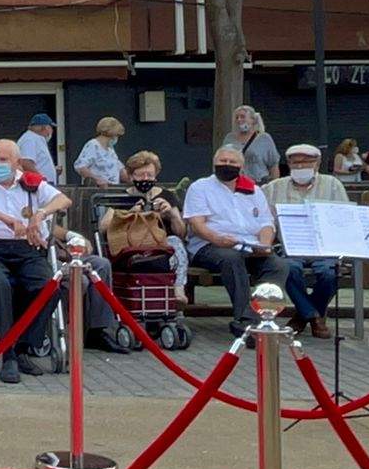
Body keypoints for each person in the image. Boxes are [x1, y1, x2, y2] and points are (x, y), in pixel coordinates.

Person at [0, 138, 68, 383]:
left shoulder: (30, 183)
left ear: (17, 163)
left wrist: (40, 214)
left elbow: (63, 200)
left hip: (26, 249)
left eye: (3, 160)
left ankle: (21, 348)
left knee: (50, 287)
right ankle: (7, 354)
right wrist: (6, 219)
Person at [183, 145, 290, 338]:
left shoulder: (254, 190)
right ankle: (245, 320)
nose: (227, 165)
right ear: (214, 163)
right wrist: (218, 239)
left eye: (232, 162)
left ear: (241, 166)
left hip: (250, 245)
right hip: (210, 246)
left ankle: (255, 316)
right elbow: (197, 224)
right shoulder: (200, 187)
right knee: (231, 259)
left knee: (279, 265)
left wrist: (265, 245)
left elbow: (266, 222)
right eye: (222, 161)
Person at [263, 143, 348, 340]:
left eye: (306, 162)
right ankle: (315, 317)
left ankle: (303, 315)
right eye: (295, 163)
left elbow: (343, 217)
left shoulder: (333, 184)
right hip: (290, 248)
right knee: (287, 268)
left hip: (325, 248)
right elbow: (262, 219)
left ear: (317, 164)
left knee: (330, 273)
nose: (300, 167)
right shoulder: (273, 188)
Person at [101, 150, 189, 304]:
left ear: (156, 175)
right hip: (132, 245)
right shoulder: (122, 198)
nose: (145, 179)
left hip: (161, 245)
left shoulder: (166, 195)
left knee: (175, 241)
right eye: (140, 175)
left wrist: (172, 214)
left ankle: (178, 289)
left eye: (149, 175)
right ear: (131, 176)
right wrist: (129, 214)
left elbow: (181, 233)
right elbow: (103, 227)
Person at [227, 105, 280, 183]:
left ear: (253, 120)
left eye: (242, 117)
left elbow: (273, 165)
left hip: (258, 183)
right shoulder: (229, 138)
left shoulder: (264, 138)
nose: (239, 120)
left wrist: (274, 186)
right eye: (237, 117)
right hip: (235, 183)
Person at [73, 117, 126, 186]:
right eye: (117, 135)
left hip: (111, 189)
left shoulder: (110, 149)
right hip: (97, 190)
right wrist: (97, 180)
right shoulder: (93, 145)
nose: (117, 138)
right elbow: (80, 166)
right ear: (112, 134)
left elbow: (119, 168)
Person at [17, 112, 59, 184]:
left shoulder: (36, 139)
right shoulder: (30, 139)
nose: (51, 131)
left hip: (43, 185)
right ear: (45, 127)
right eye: (51, 128)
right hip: (38, 185)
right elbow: (26, 163)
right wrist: (41, 179)